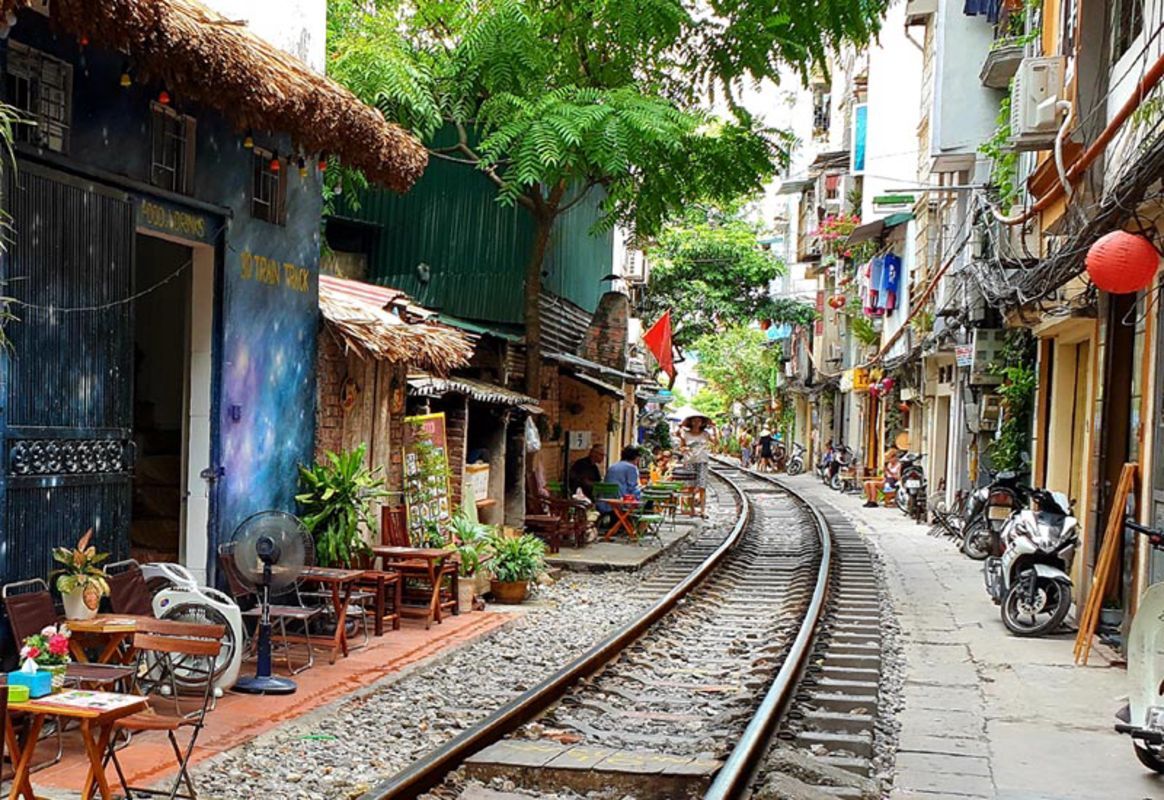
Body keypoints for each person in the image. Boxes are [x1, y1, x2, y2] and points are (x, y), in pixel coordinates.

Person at [678, 415, 717, 517]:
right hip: (689, 462)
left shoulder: (705, 434)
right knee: (690, 486)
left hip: (702, 461)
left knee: (702, 486)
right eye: (694, 421)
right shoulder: (685, 434)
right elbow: (681, 447)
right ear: (691, 422)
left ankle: (703, 510)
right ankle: (692, 510)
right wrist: (684, 449)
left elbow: (716, 442)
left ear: (702, 423)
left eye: (699, 421)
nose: (696, 423)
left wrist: (714, 429)